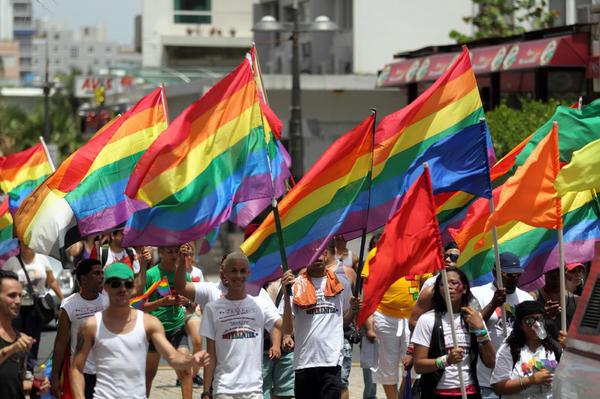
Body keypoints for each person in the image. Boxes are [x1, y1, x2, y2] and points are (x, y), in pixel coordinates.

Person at [70, 262, 209, 399]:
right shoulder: (90, 326)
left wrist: (193, 360)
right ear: (105, 286)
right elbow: (76, 368)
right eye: (115, 284)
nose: (122, 289)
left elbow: (173, 357)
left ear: (133, 288)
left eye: (128, 284)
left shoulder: (149, 323)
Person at [200, 252, 291, 399]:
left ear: (248, 273)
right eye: (234, 271)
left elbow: (287, 329)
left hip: (253, 390)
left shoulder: (260, 304)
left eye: (242, 271)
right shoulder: (212, 308)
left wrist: (287, 295)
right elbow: (211, 354)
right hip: (224, 390)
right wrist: (205, 391)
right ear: (225, 274)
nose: (238, 276)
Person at [281, 245, 360, 399]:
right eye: (312, 253)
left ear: (326, 254)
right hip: (304, 362)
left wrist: (353, 311)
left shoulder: (340, 284)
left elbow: (343, 322)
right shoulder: (295, 285)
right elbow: (287, 329)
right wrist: (286, 295)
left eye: (320, 252)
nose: (317, 257)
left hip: (331, 362)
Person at [412, 267, 496, 399]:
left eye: (454, 283)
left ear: (464, 288)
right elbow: (419, 365)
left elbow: (490, 361)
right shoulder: (427, 320)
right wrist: (446, 360)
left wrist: (480, 329)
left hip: (469, 392)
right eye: (442, 284)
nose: (448, 287)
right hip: (437, 393)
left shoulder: (474, 319)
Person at [361, 232, 425, 399]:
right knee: (387, 366)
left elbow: (426, 285)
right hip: (384, 316)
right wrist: (369, 320)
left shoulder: (418, 253)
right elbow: (367, 290)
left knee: (413, 365)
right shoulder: (376, 253)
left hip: (413, 319)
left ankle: (402, 396)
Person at [471, 252, 533, 399]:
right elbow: (471, 328)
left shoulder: (526, 298)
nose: (514, 280)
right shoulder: (477, 294)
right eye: (509, 275)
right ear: (495, 272)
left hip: (515, 380)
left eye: (517, 275)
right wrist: (493, 304)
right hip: (486, 380)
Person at [51, 259, 108, 399]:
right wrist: (55, 377)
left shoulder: (108, 302)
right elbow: (60, 344)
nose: (101, 276)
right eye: (96, 273)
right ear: (83, 279)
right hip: (81, 373)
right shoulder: (69, 305)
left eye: (102, 273)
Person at [4, 242, 64, 372]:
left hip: (36, 308)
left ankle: (29, 370)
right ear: (19, 245)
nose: (28, 246)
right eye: (25, 244)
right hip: (17, 308)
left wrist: (63, 299)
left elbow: (52, 281)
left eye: (31, 243)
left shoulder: (42, 259)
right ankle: (16, 368)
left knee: (33, 340)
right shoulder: (12, 262)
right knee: (16, 338)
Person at [144, 245, 194, 399]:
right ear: (161, 253)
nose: (174, 255)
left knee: (185, 369)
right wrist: (161, 302)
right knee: (149, 373)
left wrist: (187, 302)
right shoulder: (151, 274)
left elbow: (193, 307)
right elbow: (140, 306)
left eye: (176, 252)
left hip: (177, 327)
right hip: (154, 329)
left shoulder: (182, 274)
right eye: (170, 251)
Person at [490, 301, 565, 398]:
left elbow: (570, 377)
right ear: (520, 325)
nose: (536, 325)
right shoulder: (510, 348)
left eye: (540, 319)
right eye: (529, 321)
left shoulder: (554, 347)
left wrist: (570, 351)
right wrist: (530, 380)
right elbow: (498, 387)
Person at [0, 269, 49, 399]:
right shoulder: (17, 343)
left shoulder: (20, 338)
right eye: (12, 295)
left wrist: (36, 385)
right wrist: (12, 348)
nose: (18, 301)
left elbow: (18, 381)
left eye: (20, 295)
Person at [409, 242, 460, 331]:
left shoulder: (463, 285)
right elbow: (415, 320)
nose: (447, 260)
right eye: (445, 256)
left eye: (453, 257)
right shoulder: (430, 283)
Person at [531, 268, 578, 339]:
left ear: (565, 272)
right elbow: (527, 326)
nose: (555, 274)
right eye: (551, 270)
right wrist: (544, 316)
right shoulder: (532, 297)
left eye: (559, 270)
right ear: (544, 272)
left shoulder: (576, 301)